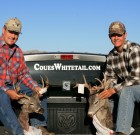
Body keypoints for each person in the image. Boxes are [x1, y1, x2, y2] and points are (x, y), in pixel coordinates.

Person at [0, 17, 55, 135]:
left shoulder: (18, 51)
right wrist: (7, 91)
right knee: (2, 97)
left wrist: (36, 88)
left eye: (16, 33)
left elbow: (23, 74)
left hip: (14, 86)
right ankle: (19, 132)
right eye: (11, 31)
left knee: (39, 93)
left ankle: (39, 128)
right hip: (1, 88)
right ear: (3, 30)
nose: (13, 36)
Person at [97, 21, 140, 135]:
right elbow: (110, 78)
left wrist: (113, 89)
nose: (116, 38)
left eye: (119, 35)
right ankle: (107, 128)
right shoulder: (111, 55)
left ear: (125, 35)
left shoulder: (134, 49)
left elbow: (136, 77)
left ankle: (122, 132)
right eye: (113, 35)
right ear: (109, 37)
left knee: (125, 91)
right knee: (107, 95)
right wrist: (102, 90)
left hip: (137, 86)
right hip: (129, 88)